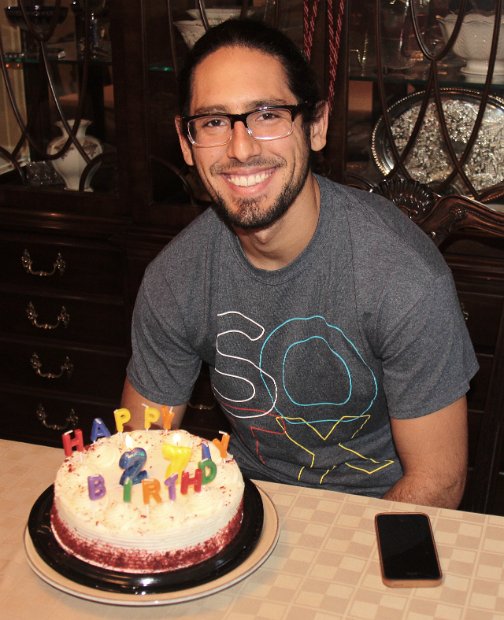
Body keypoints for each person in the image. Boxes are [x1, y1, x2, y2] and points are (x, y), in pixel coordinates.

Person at [121, 19, 478, 508]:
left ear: (316, 126)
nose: (241, 148)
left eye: (267, 115)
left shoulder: (402, 276)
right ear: (186, 143)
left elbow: (438, 481)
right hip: (247, 508)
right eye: (213, 122)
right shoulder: (175, 278)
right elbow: (140, 453)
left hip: (379, 513)